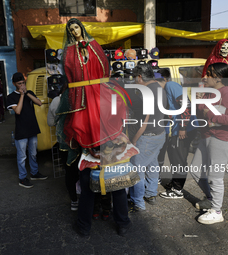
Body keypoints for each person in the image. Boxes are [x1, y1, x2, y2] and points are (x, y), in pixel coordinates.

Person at [56, 18, 132, 237]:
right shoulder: (95, 96)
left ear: (82, 29)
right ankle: (109, 223)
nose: (74, 32)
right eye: (71, 30)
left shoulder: (107, 95)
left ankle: (97, 224)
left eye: (76, 28)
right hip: (98, 146)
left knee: (101, 185)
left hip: (102, 146)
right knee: (102, 185)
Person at [190, 63, 228, 224]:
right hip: (207, 137)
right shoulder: (210, 92)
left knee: (215, 177)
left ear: (218, 77)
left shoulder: (227, 94)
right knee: (195, 170)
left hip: (222, 139)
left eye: (209, 74)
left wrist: (209, 113)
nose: (205, 77)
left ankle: (217, 211)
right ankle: (211, 199)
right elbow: (200, 114)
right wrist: (199, 99)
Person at [128, 64, 166, 212]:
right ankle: (151, 194)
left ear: (139, 77)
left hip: (147, 136)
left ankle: (137, 202)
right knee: (152, 163)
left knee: (136, 169)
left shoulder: (146, 92)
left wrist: (134, 140)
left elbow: (143, 123)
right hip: (159, 133)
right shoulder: (159, 87)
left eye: (134, 77)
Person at [156, 69, 197, 199]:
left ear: (162, 79)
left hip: (184, 128)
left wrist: (183, 127)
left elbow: (186, 105)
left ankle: (177, 190)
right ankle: (175, 184)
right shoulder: (166, 88)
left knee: (179, 159)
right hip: (177, 128)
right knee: (174, 157)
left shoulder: (171, 85)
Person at [7, 72, 47, 188]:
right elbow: (18, 111)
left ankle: (34, 173)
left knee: (33, 153)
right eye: (19, 84)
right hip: (21, 131)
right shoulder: (11, 97)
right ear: (14, 84)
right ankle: (22, 178)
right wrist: (22, 95)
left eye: (23, 83)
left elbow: (39, 103)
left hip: (32, 129)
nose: (22, 85)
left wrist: (27, 93)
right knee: (22, 156)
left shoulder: (29, 93)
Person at [47, 83, 79, 211]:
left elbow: (50, 122)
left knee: (69, 172)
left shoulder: (56, 101)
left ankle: (74, 200)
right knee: (83, 171)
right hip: (80, 143)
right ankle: (89, 201)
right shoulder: (79, 100)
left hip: (64, 143)